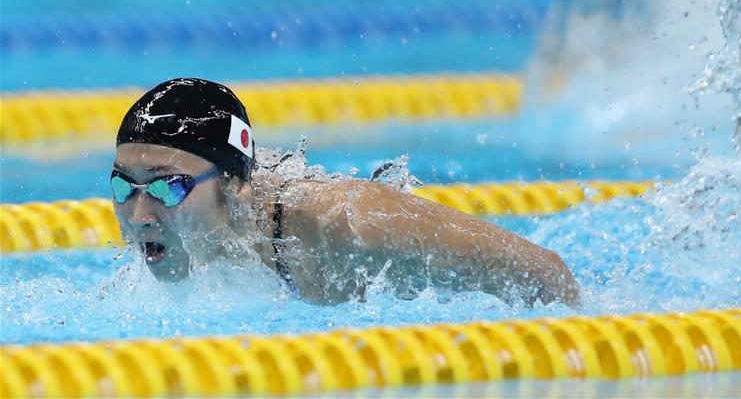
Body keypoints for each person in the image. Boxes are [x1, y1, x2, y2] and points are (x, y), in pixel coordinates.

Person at [112, 77, 580, 306]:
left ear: (236, 186)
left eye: (166, 187)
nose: (137, 215)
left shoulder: (349, 226)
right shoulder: (202, 226)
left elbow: (546, 274)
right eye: (123, 186)